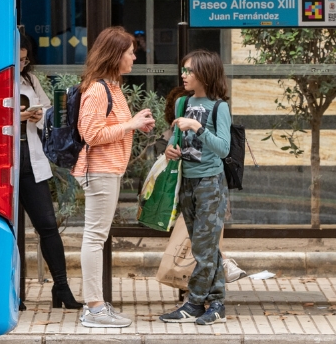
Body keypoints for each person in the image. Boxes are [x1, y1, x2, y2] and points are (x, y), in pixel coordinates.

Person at [74, 26, 156, 328]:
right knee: (94, 237)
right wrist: (129, 125)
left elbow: (113, 128)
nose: (134, 56)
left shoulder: (113, 88)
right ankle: (94, 308)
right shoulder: (98, 90)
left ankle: (96, 306)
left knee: (97, 236)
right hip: (99, 169)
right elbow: (91, 135)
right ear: (115, 55)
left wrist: (134, 124)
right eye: (130, 51)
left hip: (109, 168)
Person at [159, 49, 232, 325]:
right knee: (207, 246)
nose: (184, 75)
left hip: (210, 181)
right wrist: (170, 150)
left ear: (205, 73)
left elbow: (224, 149)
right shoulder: (182, 103)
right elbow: (175, 139)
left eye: (189, 70)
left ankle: (194, 303)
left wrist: (198, 128)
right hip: (186, 180)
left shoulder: (219, 107)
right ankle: (216, 304)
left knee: (203, 247)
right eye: (184, 69)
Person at [17, 34, 83, 311]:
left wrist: (37, 115)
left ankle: (61, 287)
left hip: (32, 161)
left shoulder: (30, 81)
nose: (21, 64)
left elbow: (48, 109)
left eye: (25, 59)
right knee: (7, 231)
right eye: (17, 60)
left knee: (47, 226)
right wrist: (15, 117)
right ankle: (11, 293)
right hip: (1, 164)